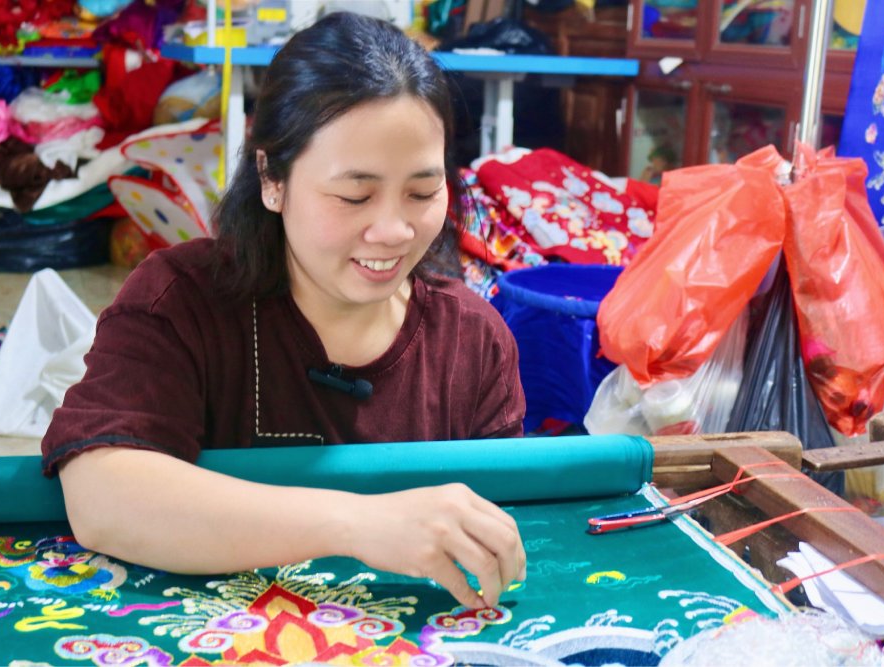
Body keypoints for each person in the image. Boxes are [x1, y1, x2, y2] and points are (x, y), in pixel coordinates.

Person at [42, 12, 527, 611]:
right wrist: (359, 523)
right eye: (355, 195)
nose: (395, 229)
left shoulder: (472, 341)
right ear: (272, 176)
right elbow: (104, 497)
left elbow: (507, 520)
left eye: (423, 193)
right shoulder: (181, 301)